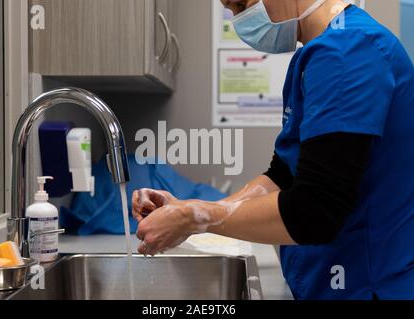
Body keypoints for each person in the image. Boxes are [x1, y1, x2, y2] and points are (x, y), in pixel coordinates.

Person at [132, 0, 414, 300]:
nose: (238, 20)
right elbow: (281, 175)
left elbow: (316, 211)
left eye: (241, 4)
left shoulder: (348, 52)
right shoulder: (314, 55)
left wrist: (194, 217)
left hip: (368, 286)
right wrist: (189, 212)